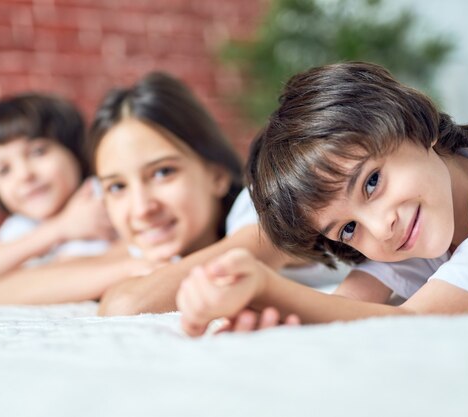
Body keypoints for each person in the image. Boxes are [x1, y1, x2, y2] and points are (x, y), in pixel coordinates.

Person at [176, 61, 468, 336]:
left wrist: (266, 287)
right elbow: (348, 308)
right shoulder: (414, 223)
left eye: (372, 182)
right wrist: (261, 313)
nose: (382, 229)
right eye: (348, 229)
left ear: (415, 124)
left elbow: (417, 320)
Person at [89, 72, 326, 318]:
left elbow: (127, 305)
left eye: (163, 172)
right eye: (117, 187)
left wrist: (137, 277)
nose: (141, 209)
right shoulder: (157, 242)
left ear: (217, 175)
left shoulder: (266, 211)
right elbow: (48, 279)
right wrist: (129, 265)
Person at [0, 93, 154, 304]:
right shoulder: (25, 225)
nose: (25, 175)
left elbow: (146, 246)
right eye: (4, 170)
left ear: (74, 151)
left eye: (38, 151)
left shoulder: (99, 195)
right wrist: (60, 228)